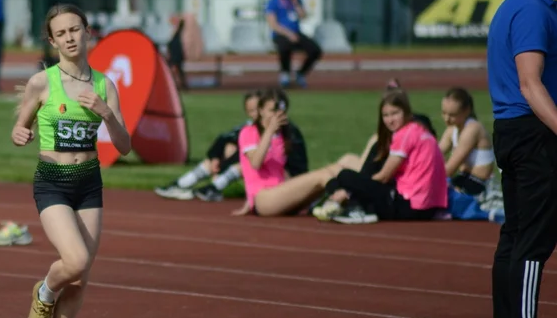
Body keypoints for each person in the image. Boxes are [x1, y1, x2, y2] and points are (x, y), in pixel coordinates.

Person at [11, 3, 131, 318]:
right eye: (61, 33)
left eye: (75, 30)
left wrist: (106, 112)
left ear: (88, 32)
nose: (70, 38)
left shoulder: (103, 85)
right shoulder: (42, 82)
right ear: (52, 41)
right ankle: (44, 293)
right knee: (74, 260)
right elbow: (21, 127)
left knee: (81, 276)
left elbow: (125, 146)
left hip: (88, 183)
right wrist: (20, 133)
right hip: (53, 182)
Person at [485, 0, 557, 318]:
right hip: (532, 134)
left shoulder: (515, 5)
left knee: (513, 238)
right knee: (533, 241)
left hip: (511, 131)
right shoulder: (531, 10)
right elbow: (531, 84)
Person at [313, 89, 448, 224]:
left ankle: (352, 206)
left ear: (406, 112)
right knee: (356, 180)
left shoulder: (405, 134)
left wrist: (352, 190)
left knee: (345, 176)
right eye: (386, 115)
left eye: (395, 113)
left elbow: (384, 176)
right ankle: (347, 203)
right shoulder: (422, 131)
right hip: (430, 207)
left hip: (410, 207)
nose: (390, 120)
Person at [155, 90, 309, 202]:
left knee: (244, 160)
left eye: (258, 109)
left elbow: (259, 161)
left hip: (286, 177)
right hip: (266, 176)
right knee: (230, 147)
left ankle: (213, 188)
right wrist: (216, 158)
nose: (254, 114)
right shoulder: (253, 128)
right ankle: (181, 184)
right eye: (250, 111)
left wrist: (223, 164)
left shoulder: (285, 132)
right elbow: (226, 137)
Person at [233, 86, 359, 217]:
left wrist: (298, 189)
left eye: (280, 111)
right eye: (272, 110)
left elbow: (279, 172)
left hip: (280, 195)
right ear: (261, 111)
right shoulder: (249, 132)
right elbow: (255, 163)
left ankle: (365, 194)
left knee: (338, 167)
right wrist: (269, 130)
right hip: (264, 197)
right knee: (321, 175)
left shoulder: (282, 136)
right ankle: (344, 199)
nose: (277, 115)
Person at [265, 0, 323, 89]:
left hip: (296, 33)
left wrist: (296, 3)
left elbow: (303, 16)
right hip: (281, 33)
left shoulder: (296, 0)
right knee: (284, 46)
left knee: (315, 50)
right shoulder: (274, 1)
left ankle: (300, 74)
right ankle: (285, 73)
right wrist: (288, 34)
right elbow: (273, 24)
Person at [438, 87, 495, 194]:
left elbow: (450, 169)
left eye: (452, 115)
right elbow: (435, 154)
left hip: (480, 184)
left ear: (467, 110)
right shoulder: (452, 129)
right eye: (444, 113)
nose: (446, 119)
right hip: (464, 178)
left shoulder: (472, 129)